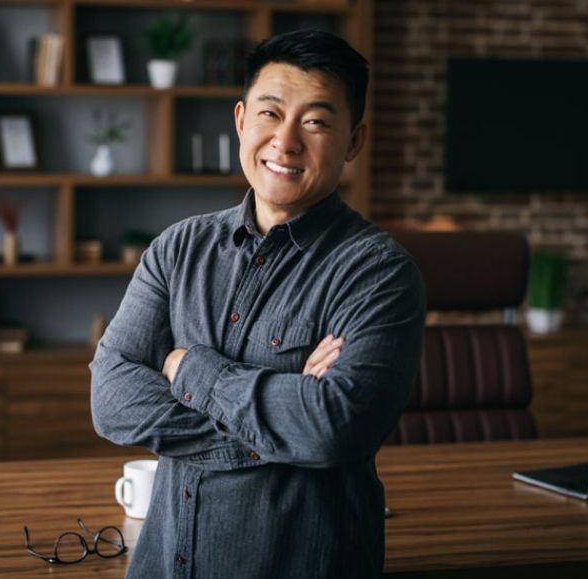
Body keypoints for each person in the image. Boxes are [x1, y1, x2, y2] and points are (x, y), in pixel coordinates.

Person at [90, 29, 425, 578]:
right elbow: (111, 397)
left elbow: (334, 429)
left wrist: (185, 366)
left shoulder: (378, 272)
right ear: (242, 120)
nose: (286, 141)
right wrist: (283, 425)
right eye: (271, 114)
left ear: (354, 141)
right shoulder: (179, 249)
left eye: (315, 122)